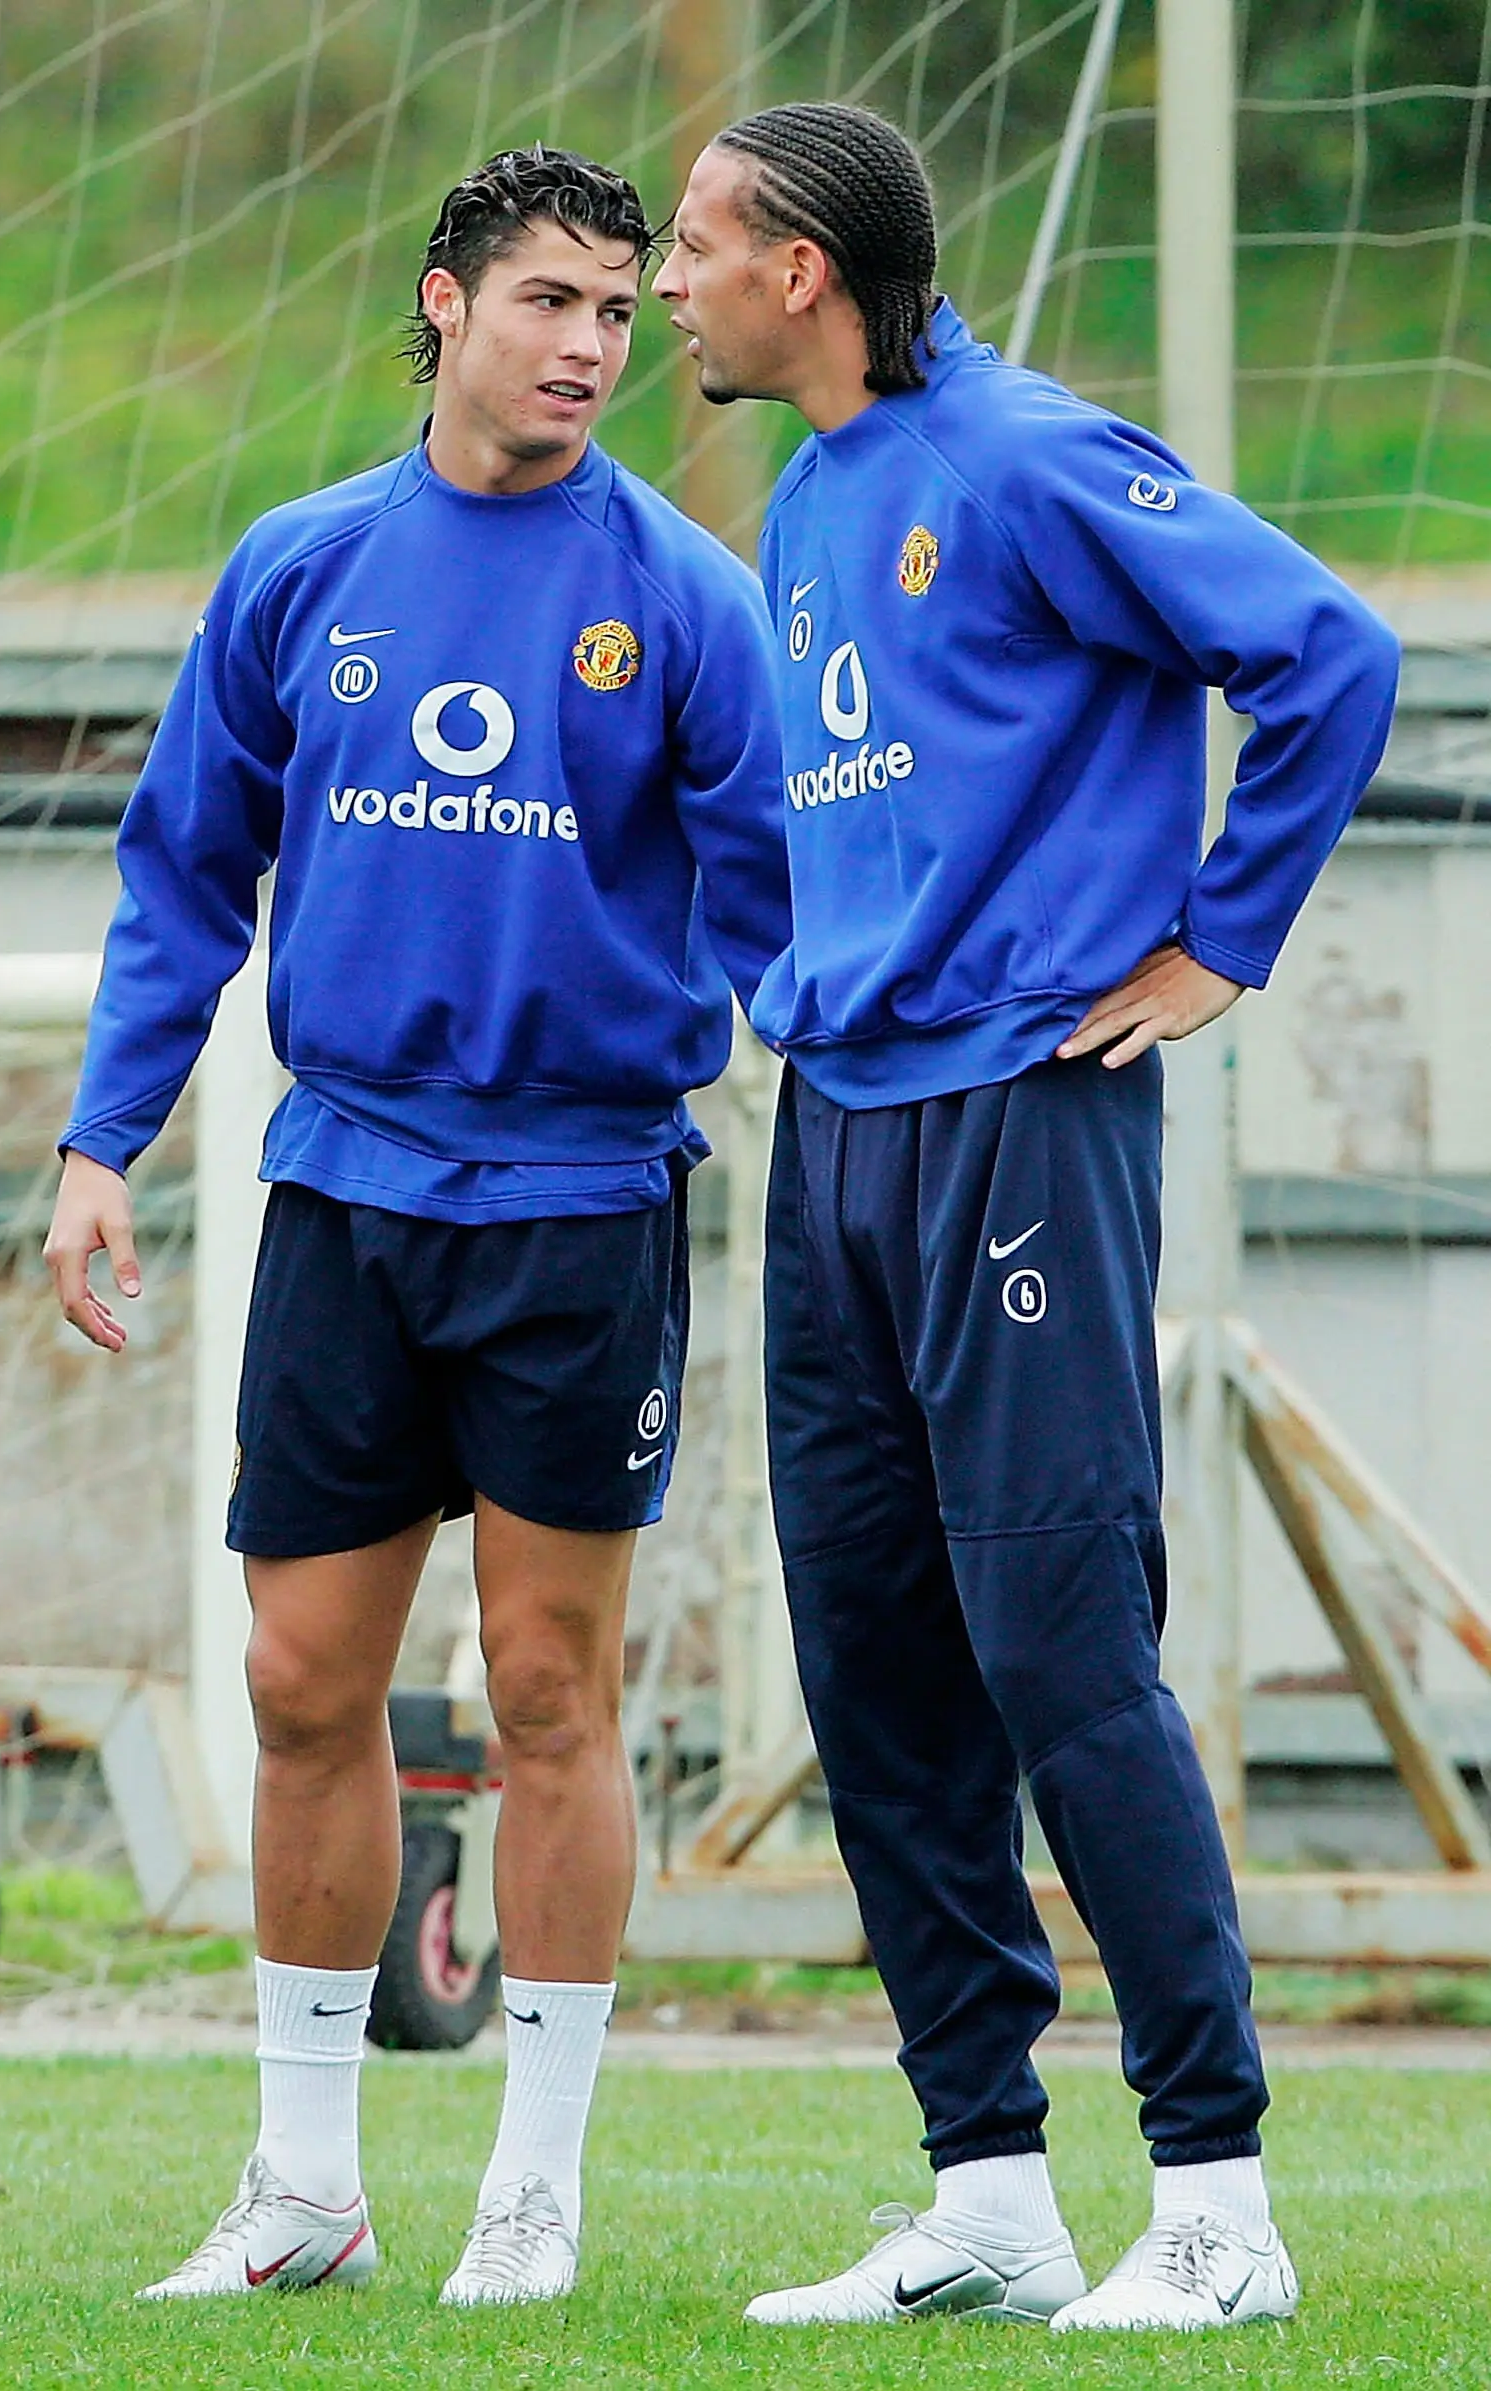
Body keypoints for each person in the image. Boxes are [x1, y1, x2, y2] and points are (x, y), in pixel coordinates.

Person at [654, 101, 1398, 2331]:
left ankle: (1219, 2201)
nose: (670, 279)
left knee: (1062, 1645)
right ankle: (985, 2188)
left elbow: (1326, 656)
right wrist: (783, 990)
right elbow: (837, 810)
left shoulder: (1030, 455)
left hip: (1027, 1116)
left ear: (804, 268)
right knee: (878, 1665)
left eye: (696, 242)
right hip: (844, 1136)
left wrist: (1222, 939)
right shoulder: (802, 503)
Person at [46, 146, 790, 2310]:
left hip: (581, 1199)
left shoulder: (682, 587)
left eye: (618, 312)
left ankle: (533, 2183)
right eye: (548, 299)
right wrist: (107, 1138)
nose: (585, 344)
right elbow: (183, 871)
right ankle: (304, 2180)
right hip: (347, 1191)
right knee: (299, 1681)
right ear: (446, 305)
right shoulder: (304, 566)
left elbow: (776, 913)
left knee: (549, 1685)